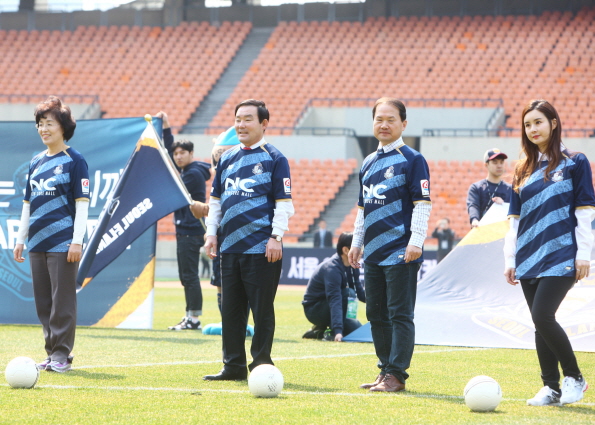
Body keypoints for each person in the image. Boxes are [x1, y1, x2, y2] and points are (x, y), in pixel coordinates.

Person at [504, 99, 594, 406]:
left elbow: (584, 211)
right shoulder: (521, 169)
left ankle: (575, 378)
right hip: (527, 255)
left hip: (562, 254)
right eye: (527, 125)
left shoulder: (576, 162)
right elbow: (514, 221)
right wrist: (509, 258)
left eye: (538, 122)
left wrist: (584, 254)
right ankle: (551, 387)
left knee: (543, 315)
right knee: (539, 321)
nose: (532, 129)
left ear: (553, 123)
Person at [203, 99, 294, 381]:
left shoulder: (275, 158)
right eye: (238, 119)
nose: (241, 125)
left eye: (248, 119)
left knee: (262, 311)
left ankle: (261, 365)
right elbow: (216, 200)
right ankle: (232, 366)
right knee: (231, 310)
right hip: (229, 247)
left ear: (264, 124)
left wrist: (276, 236)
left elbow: (284, 203)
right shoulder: (227, 159)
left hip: (261, 248)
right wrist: (211, 233)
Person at [348, 98, 432, 392]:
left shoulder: (413, 159)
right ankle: (384, 370)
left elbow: (422, 204)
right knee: (376, 314)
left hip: (401, 251)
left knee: (400, 314)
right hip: (372, 252)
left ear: (403, 124)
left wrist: (416, 242)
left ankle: (397, 374)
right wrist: (357, 243)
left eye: (391, 120)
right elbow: (363, 208)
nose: (384, 124)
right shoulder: (369, 162)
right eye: (379, 119)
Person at [13, 96, 89, 373]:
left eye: (49, 124)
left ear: (63, 127)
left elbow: (82, 204)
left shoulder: (75, 160)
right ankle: (50, 352)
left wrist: (77, 241)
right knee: (44, 302)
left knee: (63, 302)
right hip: (37, 242)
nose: (43, 129)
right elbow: (27, 205)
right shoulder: (35, 162)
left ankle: (62, 355)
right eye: (40, 124)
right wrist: (21, 239)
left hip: (63, 242)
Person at [156, 111, 211, 331]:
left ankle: (194, 319)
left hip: (190, 229)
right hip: (189, 229)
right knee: (187, 276)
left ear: (191, 154)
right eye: (176, 153)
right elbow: (170, 158)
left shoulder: (191, 174)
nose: (178, 156)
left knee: (189, 276)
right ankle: (190, 316)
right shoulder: (194, 169)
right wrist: (167, 127)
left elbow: (173, 192)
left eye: (182, 153)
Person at [302, 232, 365, 341]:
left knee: (357, 331)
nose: (361, 252)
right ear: (346, 250)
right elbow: (334, 298)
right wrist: (338, 331)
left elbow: (360, 293)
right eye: (358, 248)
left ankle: (319, 331)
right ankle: (330, 331)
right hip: (314, 310)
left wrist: (381, 301)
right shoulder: (332, 269)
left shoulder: (352, 266)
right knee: (348, 293)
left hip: (329, 306)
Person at [209, 126, 240, 315]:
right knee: (220, 281)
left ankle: (239, 322)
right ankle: (227, 322)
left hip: (239, 237)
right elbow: (214, 205)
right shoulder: (217, 186)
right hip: (221, 237)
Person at [467, 148, 512, 228]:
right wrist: (474, 220)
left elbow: (514, 213)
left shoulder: (510, 189)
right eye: (495, 162)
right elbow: (473, 205)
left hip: (502, 234)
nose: (499, 165)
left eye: (501, 162)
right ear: (486, 165)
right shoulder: (476, 188)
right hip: (481, 231)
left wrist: (503, 205)